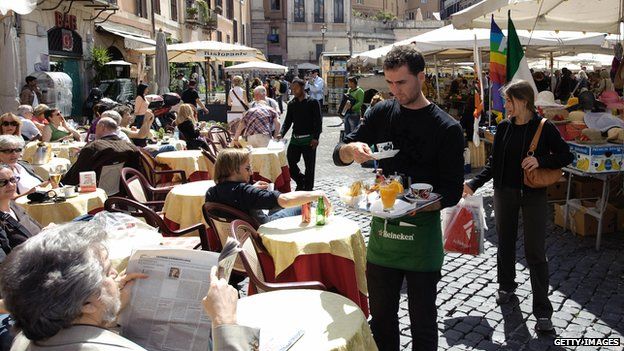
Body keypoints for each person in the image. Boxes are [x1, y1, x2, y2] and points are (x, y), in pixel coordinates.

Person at [332, 45, 464, 351]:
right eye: (389, 83)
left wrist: (417, 205)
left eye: (401, 83)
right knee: (382, 323)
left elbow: (453, 190)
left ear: (421, 77)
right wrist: (349, 151)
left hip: (423, 242)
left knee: (423, 326)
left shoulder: (447, 128)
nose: (395, 91)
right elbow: (340, 153)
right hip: (383, 239)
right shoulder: (380, 113)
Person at [463, 80, 573, 334]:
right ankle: (506, 286)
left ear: (524, 101)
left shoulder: (544, 128)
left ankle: (543, 312)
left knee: (535, 251)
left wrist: (540, 160)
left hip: (533, 193)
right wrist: (474, 183)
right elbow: (493, 164)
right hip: (504, 192)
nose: (506, 105)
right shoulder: (503, 128)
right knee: (505, 243)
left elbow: (566, 155)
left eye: (510, 101)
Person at [0, 222, 149, 351]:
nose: (115, 274)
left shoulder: (21, 340)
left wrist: (106, 304)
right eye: (108, 272)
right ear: (86, 303)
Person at [206, 148, 331, 224]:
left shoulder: (211, 193)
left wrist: (252, 190)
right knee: (302, 205)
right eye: (248, 168)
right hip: (262, 229)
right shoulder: (245, 192)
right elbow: (285, 200)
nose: (250, 173)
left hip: (237, 235)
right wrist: (315, 194)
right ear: (232, 169)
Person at [61, 117, 142, 186]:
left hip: (92, 192)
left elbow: (74, 178)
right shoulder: (131, 147)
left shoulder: (93, 148)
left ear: (102, 127)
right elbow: (135, 174)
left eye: (96, 128)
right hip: (121, 193)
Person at [278, 78, 322, 191]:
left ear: (302, 88)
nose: (293, 90)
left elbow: (318, 121)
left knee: (309, 166)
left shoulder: (313, 102)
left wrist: (316, 138)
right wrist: (281, 133)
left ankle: (308, 188)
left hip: (309, 139)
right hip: (295, 139)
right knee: (290, 161)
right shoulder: (292, 104)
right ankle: (300, 180)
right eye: (292, 88)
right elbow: (288, 121)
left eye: (296, 88)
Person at [0, 164, 42, 263]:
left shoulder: (15, 207)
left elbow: (39, 228)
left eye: (12, 180)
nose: (10, 185)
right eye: (2, 182)